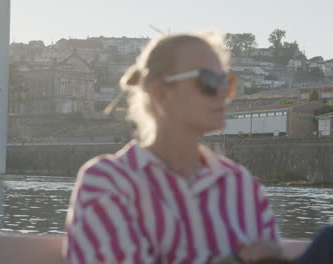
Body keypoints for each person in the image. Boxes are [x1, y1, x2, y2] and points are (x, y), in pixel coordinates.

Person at [64, 32, 282, 263]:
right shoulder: (109, 180)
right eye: (208, 81)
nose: (222, 94)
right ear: (160, 92)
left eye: (227, 83)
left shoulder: (241, 184)